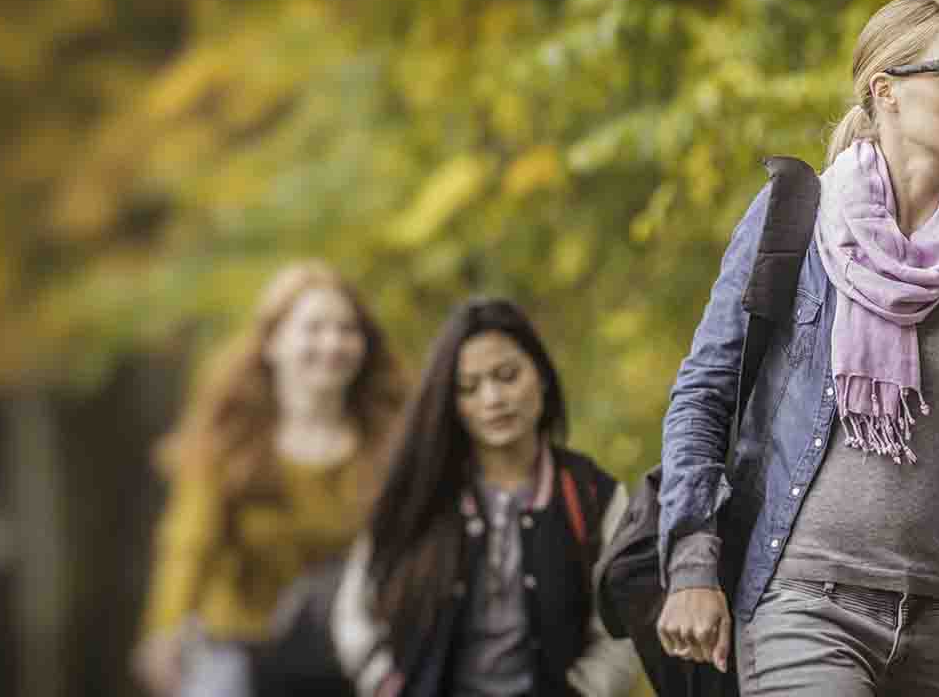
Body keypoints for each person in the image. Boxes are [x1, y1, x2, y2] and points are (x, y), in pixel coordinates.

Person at [654, 0, 939, 696]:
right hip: (804, 601)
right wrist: (691, 560)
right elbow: (703, 394)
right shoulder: (795, 220)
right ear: (886, 89)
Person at [330, 298, 639, 697]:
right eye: (469, 388)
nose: (493, 399)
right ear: (451, 402)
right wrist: (387, 685)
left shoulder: (593, 494)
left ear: (541, 374)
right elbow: (355, 612)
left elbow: (622, 630)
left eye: (507, 375)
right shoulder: (419, 492)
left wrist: (583, 692)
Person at [133, 262, 407, 697]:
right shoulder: (229, 443)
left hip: (352, 648)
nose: (332, 343)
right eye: (314, 329)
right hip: (241, 647)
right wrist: (166, 626)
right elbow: (188, 543)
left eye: (346, 329)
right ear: (273, 342)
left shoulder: (391, 441)